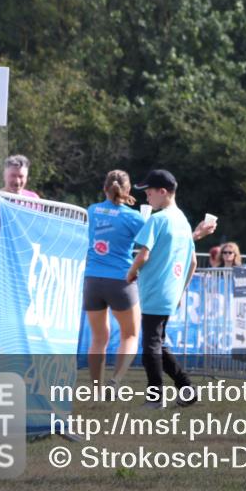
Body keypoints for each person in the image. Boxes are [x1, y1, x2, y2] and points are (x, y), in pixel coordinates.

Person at [126, 169, 198, 408]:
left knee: (150, 347)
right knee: (157, 343)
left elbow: (143, 254)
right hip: (170, 292)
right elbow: (193, 262)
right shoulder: (183, 221)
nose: (147, 198)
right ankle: (187, 388)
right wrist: (181, 290)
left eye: (149, 193)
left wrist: (131, 272)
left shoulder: (157, 220)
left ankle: (155, 397)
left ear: (163, 192)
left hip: (155, 291)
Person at [83, 170, 145, 388]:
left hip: (92, 280)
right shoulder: (133, 217)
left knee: (98, 338)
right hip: (121, 280)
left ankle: (96, 388)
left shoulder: (92, 210)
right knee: (130, 335)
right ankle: (115, 382)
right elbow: (151, 243)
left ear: (104, 188)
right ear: (127, 190)